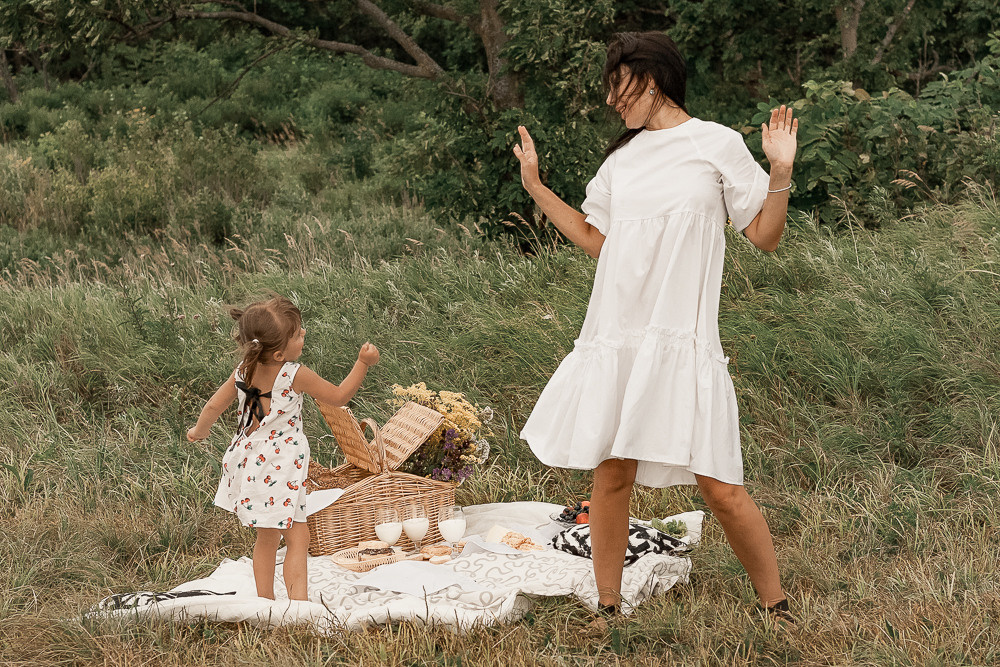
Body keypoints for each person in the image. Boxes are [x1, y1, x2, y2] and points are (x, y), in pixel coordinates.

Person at [515, 32, 798, 622]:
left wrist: (779, 171)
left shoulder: (716, 144)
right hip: (619, 333)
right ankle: (609, 605)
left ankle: (776, 605)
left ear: (650, 78)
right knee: (612, 473)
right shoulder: (621, 161)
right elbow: (598, 241)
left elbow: (765, 237)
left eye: (617, 88)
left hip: (684, 338)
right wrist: (537, 188)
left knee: (720, 486)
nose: (613, 103)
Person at [187, 295, 380, 601]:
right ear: (278, 353)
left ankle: (265, 601)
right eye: (298, 333)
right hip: (281, 465)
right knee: (298, 537)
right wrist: (362, 363)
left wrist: (199, 431)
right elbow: (340, 396)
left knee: (267, 536)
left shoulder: (243, 371)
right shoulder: (293, 374)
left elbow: (213, 406)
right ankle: (299, 604)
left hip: (249, 463)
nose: (303, 334)